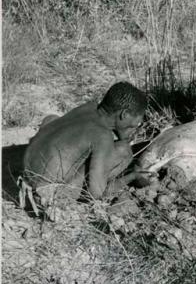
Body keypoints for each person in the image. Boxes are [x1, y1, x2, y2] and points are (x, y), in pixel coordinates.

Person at [20, 81, 153, 216]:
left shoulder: (88, 107)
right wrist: (132, 176)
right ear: (124, 114)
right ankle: (60, 200)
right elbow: (96, 194)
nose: (135, 128)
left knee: (52, 118)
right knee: (123, 151)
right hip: (45, 197)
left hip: (25, 175)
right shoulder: (102, 135)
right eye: (136, 123)